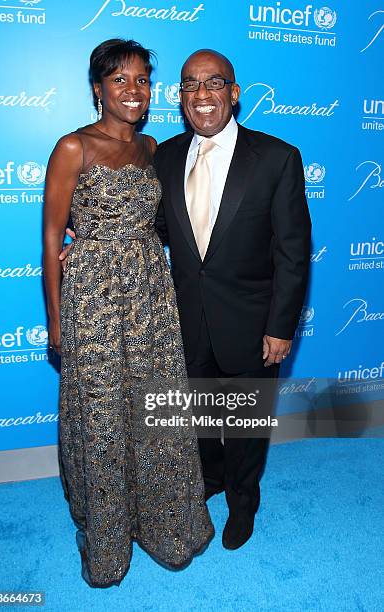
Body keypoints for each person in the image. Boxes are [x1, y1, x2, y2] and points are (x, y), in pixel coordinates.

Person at [43, 39, 214, 588]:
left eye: (142, 80)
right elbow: (50, 240)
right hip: (92, 298)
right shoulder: (73, 147)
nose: (133, 90)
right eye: (120, 80)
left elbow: (162, 225)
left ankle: (165, 527)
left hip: (149, 295)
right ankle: (109, 538)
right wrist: (54, 321)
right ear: (98, 89)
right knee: (101, 417)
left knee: (154, 411)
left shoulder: (153, 147)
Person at [153, 50, 311, 550]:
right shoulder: (166, 156)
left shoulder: (278, 158)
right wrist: (87, 238)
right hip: (185, 321)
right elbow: (156, 229)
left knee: (244, 426)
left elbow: (293, 252)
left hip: (251, 323)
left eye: (214, 83)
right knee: (199, 419)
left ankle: (244, 502)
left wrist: (281, 327)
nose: (202, 96)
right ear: (180, 97)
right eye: (190, 86)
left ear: (234, 92)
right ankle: (212, 479)